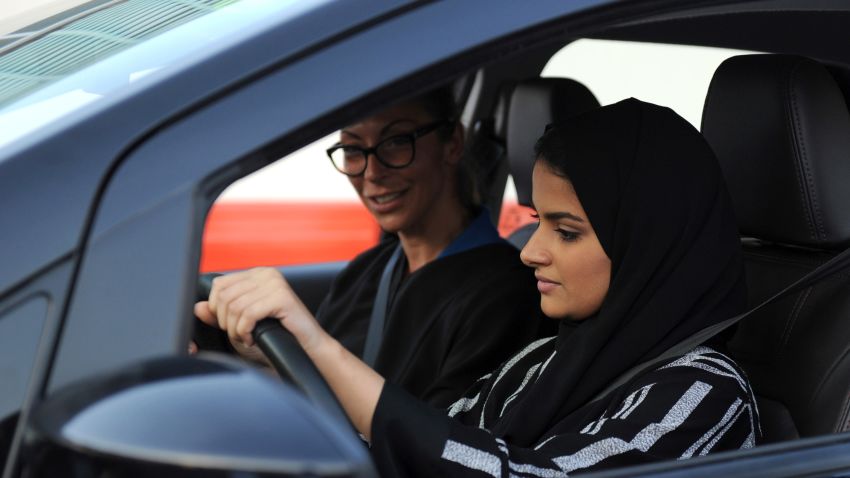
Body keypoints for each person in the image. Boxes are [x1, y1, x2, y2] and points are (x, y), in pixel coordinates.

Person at [196, 98, 761, 476]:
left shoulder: (703, 397)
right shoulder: (540, 363)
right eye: (536, 221)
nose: (533, 250)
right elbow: (425, 439)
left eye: (565, 232)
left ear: (647, 244)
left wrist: (320, 349)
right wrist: (275, 368)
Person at [200, 86, 550, 408]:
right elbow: (322, 393)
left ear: (453, 143)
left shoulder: (509, 295)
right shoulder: (365, 271)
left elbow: (440, 446)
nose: (371, 172)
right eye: (353, 150)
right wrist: (263, 365)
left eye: (396, 141)